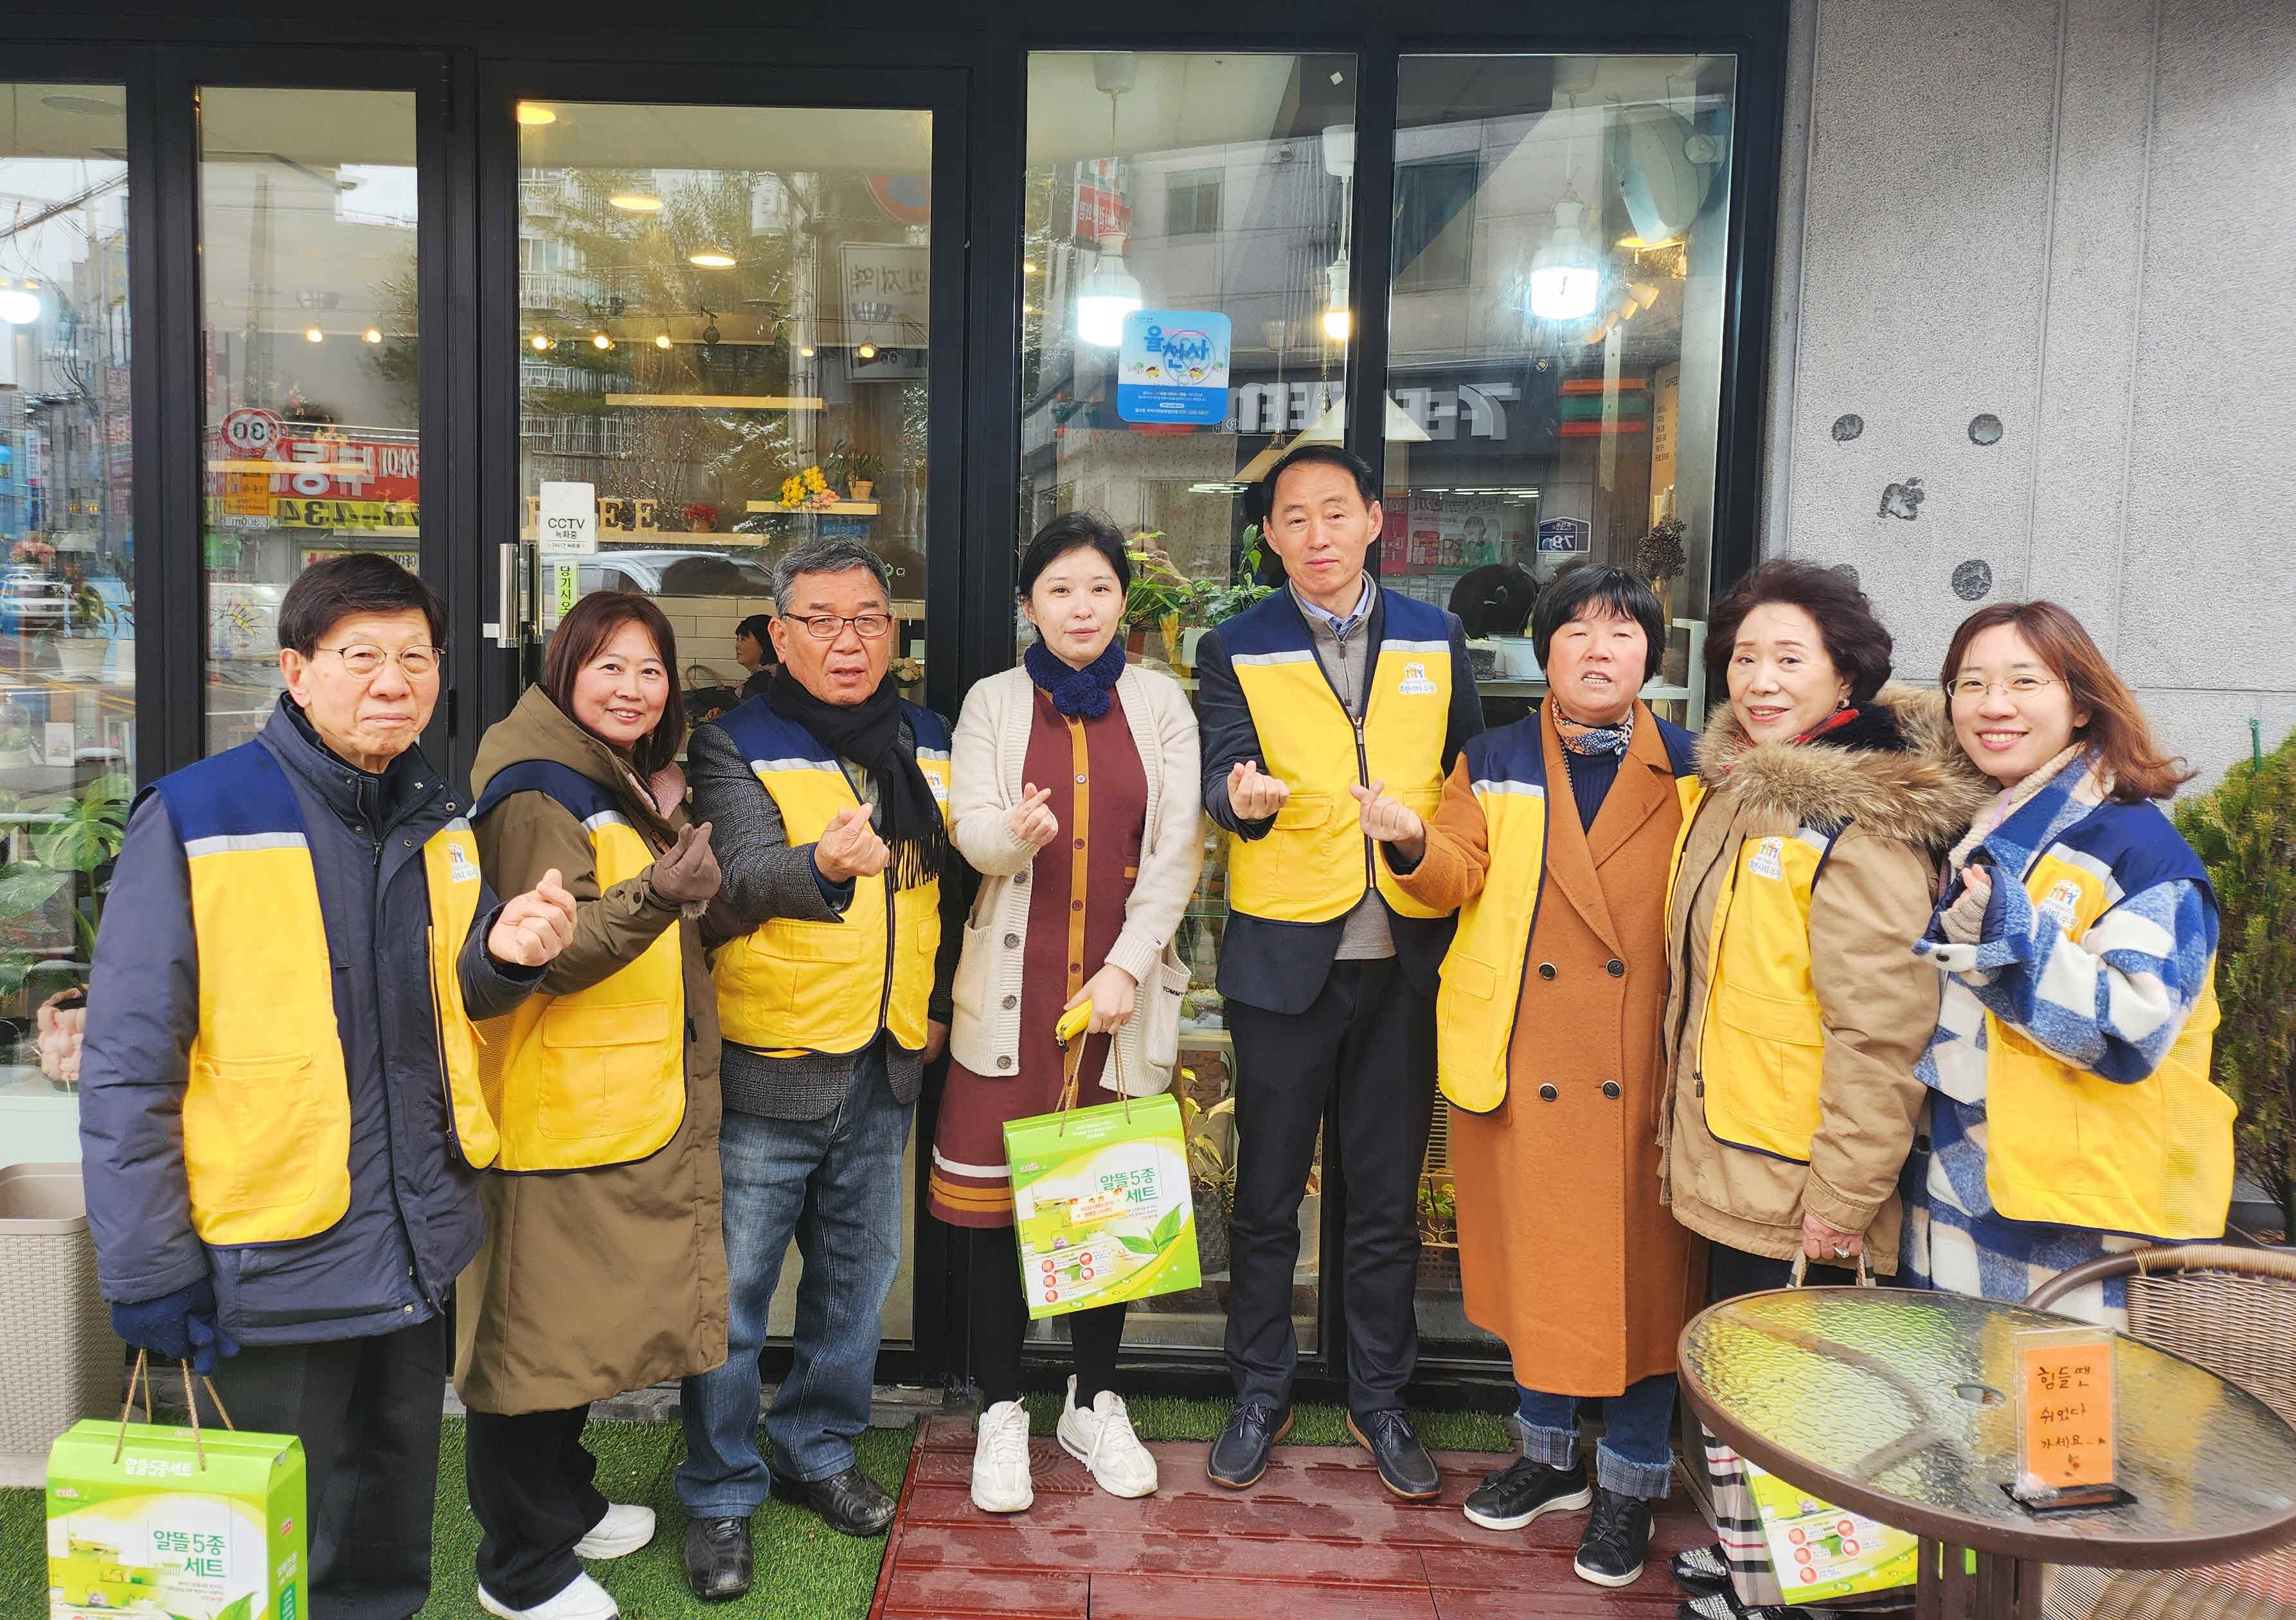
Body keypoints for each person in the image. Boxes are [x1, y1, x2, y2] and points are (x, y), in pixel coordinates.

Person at [78, 553, 577, 1620]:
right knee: (242, 1557)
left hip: (412, 1247)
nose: (392, 681)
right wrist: (150, 1271)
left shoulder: (438, 819)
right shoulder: (201, 813)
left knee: (387, 1549)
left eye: (415, 657)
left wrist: (511, 955)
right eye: (361, 657)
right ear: (295, 671)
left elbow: (443, 1011)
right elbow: (127, 1065)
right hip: (265, 1262)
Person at [1659, 559, 1988, 1619]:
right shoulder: (1746, 787)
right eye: (1743, 657)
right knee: (1746, 1385)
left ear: (1843, 672)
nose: (1759, 678)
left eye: (1787, 658)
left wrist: (1842, 1202)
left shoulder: (1856, 817)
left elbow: (1880, 1031)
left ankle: (1798, 1599)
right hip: (1734, 1146)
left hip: (1799, 1173)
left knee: (1801, 1398)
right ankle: (1748, 1558)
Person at [1377, 565, 1700, 1588]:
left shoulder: (1699, 768)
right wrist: (1412, 840)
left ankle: (1632, 1482)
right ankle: (1547, 1458)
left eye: (1621, 634)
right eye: (1575, 632)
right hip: (1525, 1061)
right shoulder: (1497, 756)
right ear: (1542, 649)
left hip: (1646, 1069)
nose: (1598, 650)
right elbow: (1457, 872)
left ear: (1652, 655)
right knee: (1539, 1272)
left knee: (1645, 1291)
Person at [1194, 443, 1483, 1499]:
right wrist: (1241, 795)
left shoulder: (1437, 636)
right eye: (1292, 519)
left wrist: (1419, 842)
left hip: (1403, 962)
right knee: (1265, 1197)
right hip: (1283, 961)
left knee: (1382, 1203)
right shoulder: (1234, 643)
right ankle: (1259, 1390)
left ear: (1372, 519)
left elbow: (1468, 787)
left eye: (1334, 512)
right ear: (1268, 537)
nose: (1315, 536)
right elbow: (1221, 772)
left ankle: (1379, 1398)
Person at [676, 537, 956, 1601]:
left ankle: (819, 1448)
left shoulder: (925, 737)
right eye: (824, 620)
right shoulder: (734, 741)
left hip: (884, 1060)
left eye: (869, 618)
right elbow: (735, 877)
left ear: (894, 630)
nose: (849, 640)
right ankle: (718, 1490)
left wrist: (928, 1008)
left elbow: (939, 887)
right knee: (736, 1298)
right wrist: (821, 867)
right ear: (780, 633)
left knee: (854, 1288)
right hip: (770, 1060)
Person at [458, 592, 730, 1620]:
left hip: (605, 1097)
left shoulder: (598, 770)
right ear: (563, 666)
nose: (632, 687)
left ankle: (562, 1505)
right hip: (550, 1102)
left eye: (651, 669)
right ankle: (518, 1568)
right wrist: (661, 891)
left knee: (570, 1330)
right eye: (609, 666)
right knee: (531, 1342)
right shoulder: (537, 786)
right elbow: (550, 946)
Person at [935, 513, 1203, 1514]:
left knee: (1108, 1203)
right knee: (998, 1213)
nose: (1080, 607)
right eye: (1058, 590)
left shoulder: (1162, 702)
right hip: (1012, 994)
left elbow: (1179, 850)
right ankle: (1003, 1407)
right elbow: (970, 832)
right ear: (1028, 604)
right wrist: (1013, 833)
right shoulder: (993, 702)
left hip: (1115, 997)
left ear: (1122, 599)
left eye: (1097, 588)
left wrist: (1130, 967)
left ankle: (1094, 1400)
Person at [1905, 601, 2232, 1325]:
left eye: (2024, 682)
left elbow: (2133, 1030)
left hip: (2072, 1218)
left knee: (2052, 1430)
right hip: (1970, 1183)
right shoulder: (1983, 827)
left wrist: (2005, 943)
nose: (1994, 706)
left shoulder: (2138, 851)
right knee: (1964, 1419)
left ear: (2081, 705)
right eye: (1971, 684)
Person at [734, 612, 776, 699]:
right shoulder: (776, 675)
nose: (737, 646)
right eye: (738, 639)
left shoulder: (761, 683)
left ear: (764, 644)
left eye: (743, 639)